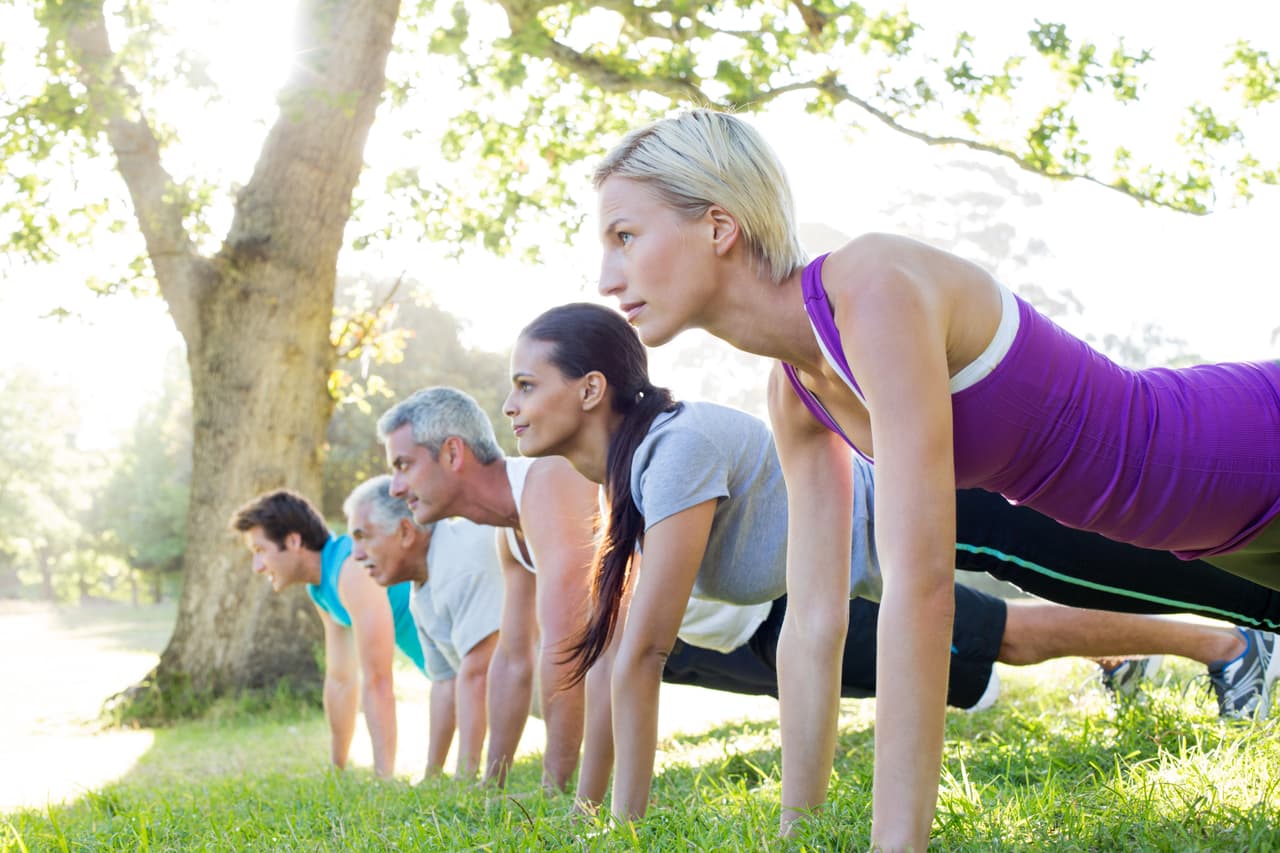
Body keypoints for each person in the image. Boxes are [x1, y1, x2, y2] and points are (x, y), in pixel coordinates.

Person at [590, 109, 1280, 847]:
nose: (605, 278)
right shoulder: (795, 391)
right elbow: (814, 622)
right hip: (1211, 533)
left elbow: (920, 590)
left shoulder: (870, 285)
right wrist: (798, 833)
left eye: (624, 236)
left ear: (718, 226)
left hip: (1238, 451)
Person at [504, 302, 1280, 832]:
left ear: (591, 389)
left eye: (526, 385)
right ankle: (1224, 637)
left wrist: (618, 827)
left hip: (955, 500)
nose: (510, 405)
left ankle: (1245, 640)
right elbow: (617, 655)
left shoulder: (675, 452)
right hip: (903, 539)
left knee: (1172, 554)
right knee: (1138, 565)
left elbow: (643, 653)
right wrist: (585, 811)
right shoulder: (631, 478)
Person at [375, 387, 607, 796]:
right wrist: (491, 784)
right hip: (691, 647)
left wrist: (552, 789)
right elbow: (514, 659)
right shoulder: (509, 531)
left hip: (725, 629)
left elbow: (566, 644)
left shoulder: (548, 478)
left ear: (452, 453)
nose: (394, 487)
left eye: (403, 465)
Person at [669, 591, 1271, 718]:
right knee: (1000, 637)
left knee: (1003, 634)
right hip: (733, 646)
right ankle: (1120, 657)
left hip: (790, 597)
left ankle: (1228, 645)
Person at [230, 489, 425, 779]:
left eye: (260, 551)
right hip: (451, 671)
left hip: (471, 663)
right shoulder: (321, 587)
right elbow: (341, 679)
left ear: (293, 541)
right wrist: (337, 770)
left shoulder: (352, 569)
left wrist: (383, 779)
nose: (257, 567)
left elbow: (378, 680)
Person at [344, 475, 503, 779]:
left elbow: (478, 674)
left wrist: (465, 778)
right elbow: (445, 682)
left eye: (363, 536)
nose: (356, 554)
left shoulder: (460, 565)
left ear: (405, 531)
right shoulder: (421, 584)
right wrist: (433, 775)